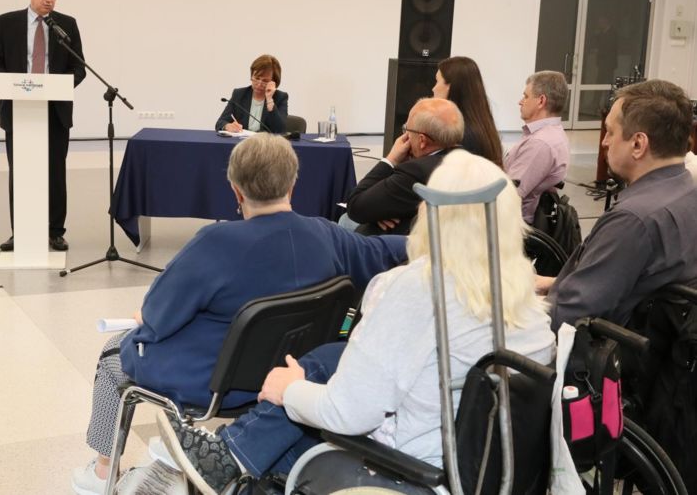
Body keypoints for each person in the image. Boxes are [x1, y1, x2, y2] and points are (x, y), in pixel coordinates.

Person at [148, 150, 556, 494]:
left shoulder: (419, 289)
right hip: (482, 476)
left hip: (405, 473)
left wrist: (290, 390)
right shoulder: (531, 308)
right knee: (327, 361)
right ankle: (225, 455)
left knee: (279, 439)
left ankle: (222, 459)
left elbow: (348, 414)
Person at [71, 134, 408, 494]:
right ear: (293, 184)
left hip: (216, 383)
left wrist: (145, 316)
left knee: (113, 353)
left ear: (236, 190)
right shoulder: (327, 235)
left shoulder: (214, 242)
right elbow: (386, 251)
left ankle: (102, 473)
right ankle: (171, 465)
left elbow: (157, 317)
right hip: (289, 376)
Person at [537, 79, 697, 331]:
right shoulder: (687, 192)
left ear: (638, 144)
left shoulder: (633, 220)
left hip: (602, 345)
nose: (604, 142)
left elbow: (568, 316)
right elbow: (632, 281)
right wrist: (554, 283)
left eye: (610, 132)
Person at [0, 0, 85, 252]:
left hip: (55, 110)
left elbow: (78, 66)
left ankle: (55, 231)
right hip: (19, 109)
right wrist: (14, 85)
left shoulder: (66, 25)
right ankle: (21, 231)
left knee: (55, 173)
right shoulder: (6, 23)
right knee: (20, 172)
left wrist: (59, 86)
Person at [342, 98, 463, 235]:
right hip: (453, 237)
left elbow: (355, 206)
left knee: (345, 220)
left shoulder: (414, 172)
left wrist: (390, 160)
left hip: (408, 243)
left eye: (407, 130)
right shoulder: (471, 161)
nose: (405, 136)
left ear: (422, 140)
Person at [504, 71, 570, 223]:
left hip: (515, 224)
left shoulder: (540, 144)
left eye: (526, 96)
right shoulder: (552, 134)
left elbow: (509, 194)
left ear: (541, 101)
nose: (520, 102)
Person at [433, 56, 504, 167]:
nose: (433, 88)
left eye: (437, 82)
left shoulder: (461, 137)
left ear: (450, 87)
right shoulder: (481, 127)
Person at [215, 54, 288, 134]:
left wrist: (270, 100)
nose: (259, 84)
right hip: (242, 141)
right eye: (256, 78)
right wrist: (227, 126)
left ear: (274, 82)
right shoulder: (239, 94)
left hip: (265, 141)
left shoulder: (280, 97)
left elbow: (280, 130)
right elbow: (220, 122)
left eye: (265, 81)